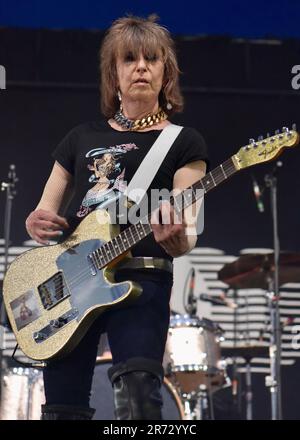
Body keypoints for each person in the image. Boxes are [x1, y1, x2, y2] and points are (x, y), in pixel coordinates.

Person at [25, 15, 209, 420]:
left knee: (140, 399)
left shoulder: (184, 141)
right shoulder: (80, 137)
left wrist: (176, 237)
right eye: (129, 58)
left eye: (151, 59)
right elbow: (45, 211)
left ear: (166, 73)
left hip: (142, 277)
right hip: (73, 283)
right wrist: (36, 222)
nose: (140, 66)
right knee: (62, 408)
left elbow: (186, 228)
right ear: (114, 72)